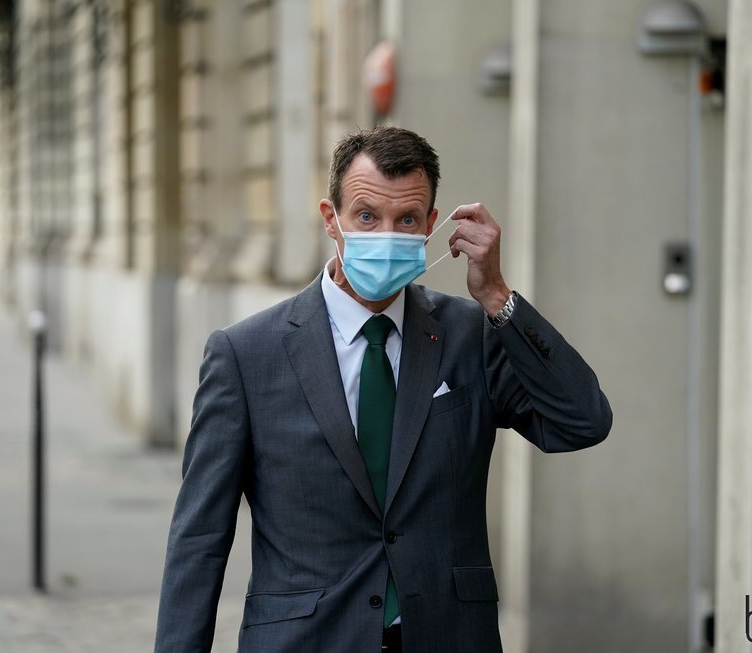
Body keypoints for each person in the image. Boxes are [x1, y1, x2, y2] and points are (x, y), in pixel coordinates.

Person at [155, 126, 613, 653]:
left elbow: (582, 422)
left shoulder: (470, 336)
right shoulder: (245, 355)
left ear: (431, 226)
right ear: (333, 219)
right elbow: (200, 538)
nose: (386, 233)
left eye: (407, 220)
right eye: (368, 216)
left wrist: (498, 297)